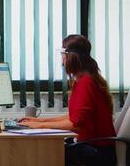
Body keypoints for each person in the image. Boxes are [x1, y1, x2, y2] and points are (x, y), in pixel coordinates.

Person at [19, 35, 116, 166]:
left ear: (70, 56)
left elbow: (75, 124)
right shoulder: (85, 80)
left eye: (62, 53)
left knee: (42, 153)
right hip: (94, 148)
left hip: (97, 153)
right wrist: (40, 120)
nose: (61, 59)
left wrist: (40, 126)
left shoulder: (86, 83)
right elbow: (74, 117)